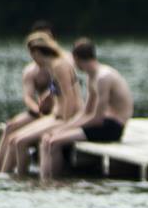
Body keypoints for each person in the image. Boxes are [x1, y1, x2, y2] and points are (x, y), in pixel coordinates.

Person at [0, 31, 83, 175]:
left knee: (20, 142)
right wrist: (48, 96)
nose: (32, 59)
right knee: (13, 139)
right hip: (56, 116)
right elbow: (59, 89)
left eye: (32, 54)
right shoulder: (53, 66)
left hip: (65, 118)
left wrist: (66, 124)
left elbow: (70, 97)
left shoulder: (60, 66)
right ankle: (4, 178)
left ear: (37, 53)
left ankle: (22, 179)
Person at [38, 38, 135, 182]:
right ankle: (46, 180)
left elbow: (97, 118)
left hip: (113, 127)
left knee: (54, 142)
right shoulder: (92, 77)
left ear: (77, 58)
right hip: (103, 123)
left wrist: (63, 130)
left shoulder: (103, 78)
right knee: (47, 139)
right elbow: (86, 112)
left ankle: (52, 183)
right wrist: (62, 128)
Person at [0, 21, 57, 146]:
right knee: (10, 127)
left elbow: (65, 84)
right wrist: (38, 111)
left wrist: (50, 92)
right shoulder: (30, 71)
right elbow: (28, 97)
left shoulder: (61, 63)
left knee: (23, 138)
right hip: (40, 111)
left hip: (58, 111)